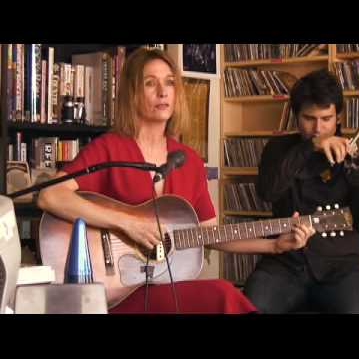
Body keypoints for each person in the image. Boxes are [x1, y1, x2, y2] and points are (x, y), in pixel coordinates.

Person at [37, 47, 313, 314]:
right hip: (114, 292)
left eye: (169, 82)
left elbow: (210, 234)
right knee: (222, 293)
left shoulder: (188, 161)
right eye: (150, 83)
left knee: (223, 292)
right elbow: (49, 196)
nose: (162, 91)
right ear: (133, 93)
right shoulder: (110, 148)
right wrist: (127, 223)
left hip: (163, 286)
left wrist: (274, 245)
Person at [238, 69, 359, 313]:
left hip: (341, 268)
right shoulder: (279, 149)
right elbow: (268, 192)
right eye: (309, 118)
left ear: (338, 117)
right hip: (285, 264)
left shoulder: (351, 156)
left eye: (326, 119)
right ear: (296, 117)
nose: (318, 128)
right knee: (250, 307)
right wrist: (309, 147)